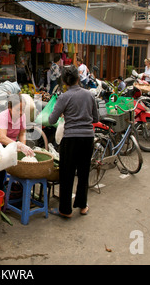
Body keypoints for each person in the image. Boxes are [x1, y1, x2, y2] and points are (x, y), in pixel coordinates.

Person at [48, 65, 99, 218]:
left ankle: (65, 209)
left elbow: (51, 120)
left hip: (70, 139)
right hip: (88, 138)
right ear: (78, 78)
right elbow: (96, 118)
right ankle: (82, 206)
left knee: (67, 174)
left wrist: (65, 114)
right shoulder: (89, 95)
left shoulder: (64, 97)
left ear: (64, 81)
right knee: (83, 173)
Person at [0, 95, 34, 190]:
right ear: (9, 108)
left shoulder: (23, 116)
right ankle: (0, 190)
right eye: (18, 109)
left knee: (19, 162)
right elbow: (2, 138)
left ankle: (16, 188)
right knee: (1, 166)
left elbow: (22, 134)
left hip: (11, 143)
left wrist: (23, 147)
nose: (21, 112)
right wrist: (19, 145)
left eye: (23, 109)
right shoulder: (3, 116)